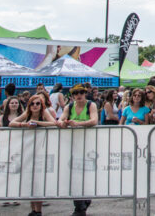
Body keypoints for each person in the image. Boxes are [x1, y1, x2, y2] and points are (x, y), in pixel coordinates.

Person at [9, 94, 57, 216]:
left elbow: (54, 123)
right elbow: (12, 123)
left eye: (37, 103)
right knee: (29, 180)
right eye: (32, 104)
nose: (35, 106)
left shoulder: (44, 113)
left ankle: (38, 210)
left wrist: (37, 122)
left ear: (41, 105)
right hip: (28, 149)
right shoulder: (26, 114)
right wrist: (24, 124)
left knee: (38, 181)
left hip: (42, 149)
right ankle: (33, 209)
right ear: (29, 105)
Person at [58, 85, 99, 216]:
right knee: (74, 175)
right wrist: (63, 123)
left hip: (88, 145)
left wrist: (79, 123)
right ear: (72, 96)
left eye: (81, 93)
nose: (79, 95)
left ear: (85, 94)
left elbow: (94, 120)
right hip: (73, 145)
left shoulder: (91, 105)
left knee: (86, 174)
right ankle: (79, 206)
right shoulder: (69, 107)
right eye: (76, 93)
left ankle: (84, 200)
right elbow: (60, 119)